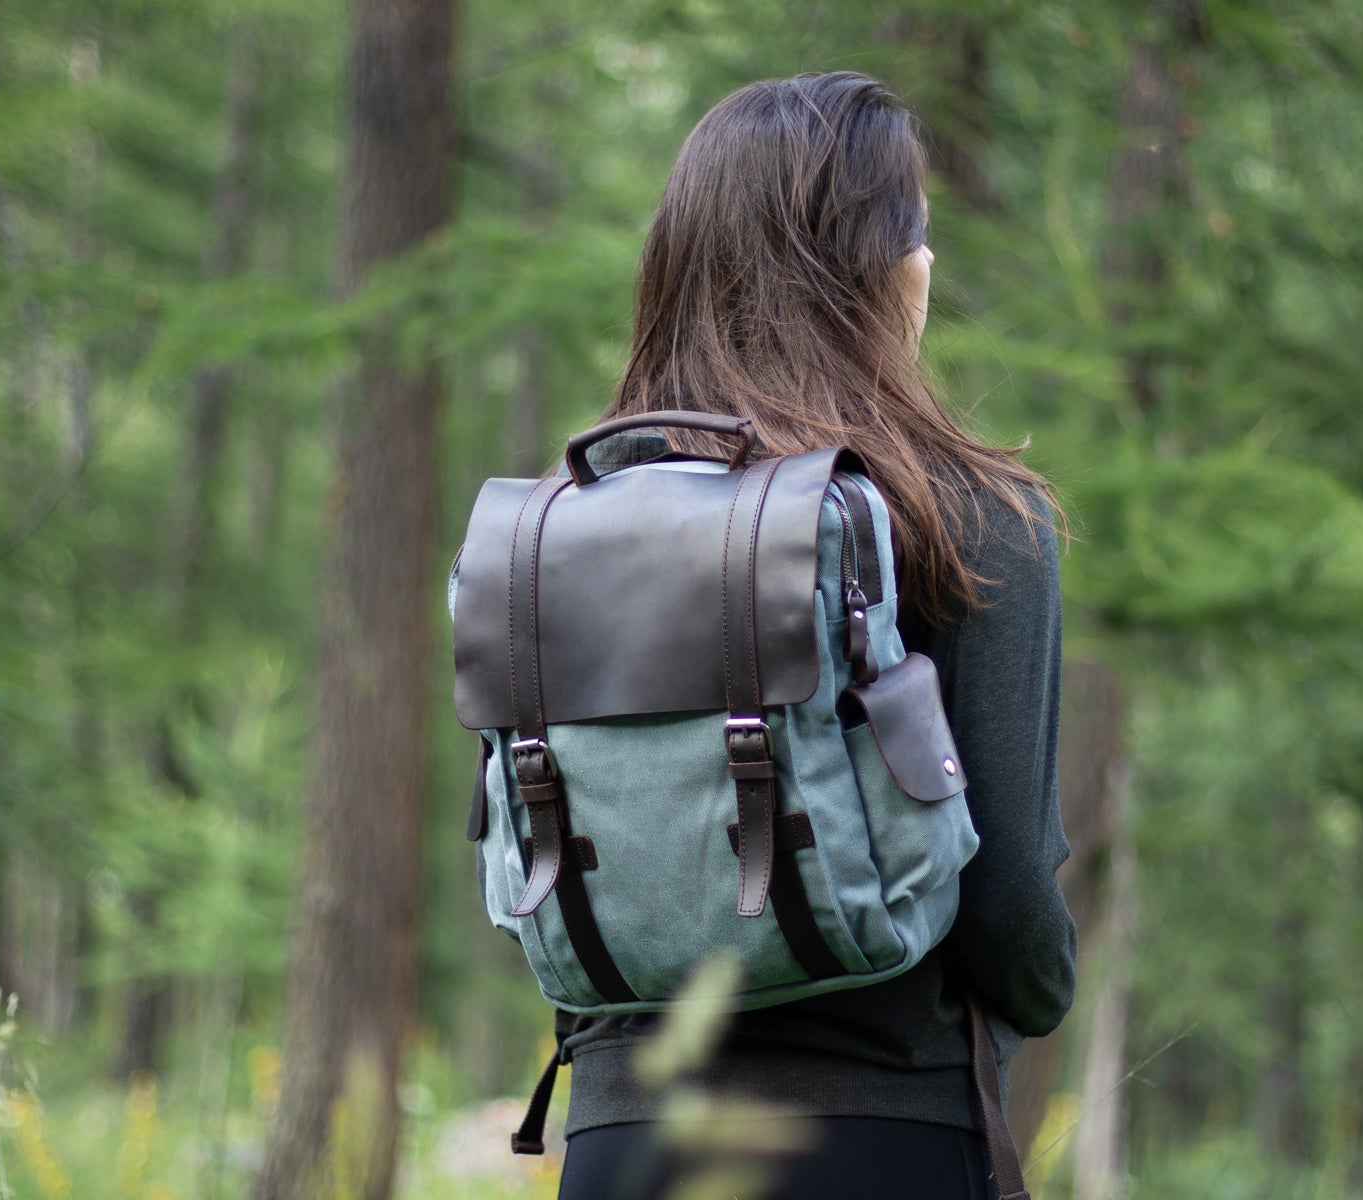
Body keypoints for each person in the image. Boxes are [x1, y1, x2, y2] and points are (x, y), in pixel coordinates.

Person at [552, 71, 1079, 1200]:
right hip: (882, 1137)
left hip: (621, 1146)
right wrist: (1043, 990)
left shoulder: (573, 527)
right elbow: (1011, 909)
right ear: (890, 273)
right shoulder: (972, 516)